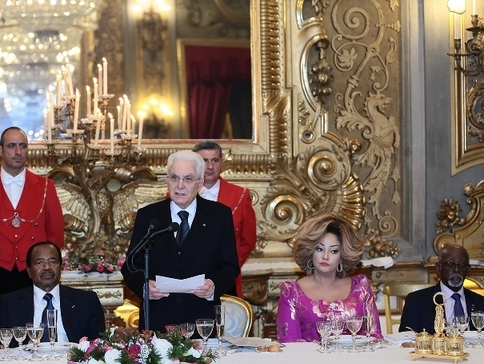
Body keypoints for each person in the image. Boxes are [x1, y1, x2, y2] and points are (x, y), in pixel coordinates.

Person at [0, 126, 65, 346]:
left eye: (23, 146)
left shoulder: (46, 187)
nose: (18, 151)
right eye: (11, 146)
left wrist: (41, 266)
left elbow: (55, 235)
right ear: (0, 150)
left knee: (34, 335)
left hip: (32, 274)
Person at [121, 150, 240, 334]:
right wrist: (144, 287)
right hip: (158, 321)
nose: (180, 185)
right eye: (174, 177)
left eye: (188, 179)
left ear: (200, 183)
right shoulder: (149, 216)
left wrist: (213, 285)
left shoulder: (219, 216)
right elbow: (130, 266)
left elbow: (230, 266)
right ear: (167, 180)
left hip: (202, 322)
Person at [276, 213, 382, 343]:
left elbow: (375, 338)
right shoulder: (291, 292)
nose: (325, 256)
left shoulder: (361, 288)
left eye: (334, 251)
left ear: (342, 255)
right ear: (310, 252)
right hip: (309, 363)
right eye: (319, 249)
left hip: (356, 361)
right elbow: (289, 346)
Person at [0, 241, 105, 349]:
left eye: (53, 261)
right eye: (39, 262)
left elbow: (99, 344)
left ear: (60, 267)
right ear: (29, 271)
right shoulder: (9, 303)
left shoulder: (86, 301)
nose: (47, 267)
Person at [193, 141, 257, 298]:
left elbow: (247, 240)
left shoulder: (240, 195)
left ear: (221, 162)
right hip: (190, 280)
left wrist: (227, 269)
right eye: (204, 161)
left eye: (214, 160)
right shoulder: (179, 195)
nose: (209, 166)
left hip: (227, 282)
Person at [399, 244, 484, 334]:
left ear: (468, 269)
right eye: (450, 265)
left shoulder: (480, 302)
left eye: (462, 265)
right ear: (439, 267)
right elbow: (406, 337)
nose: (456, 270)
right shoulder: (417, 301)